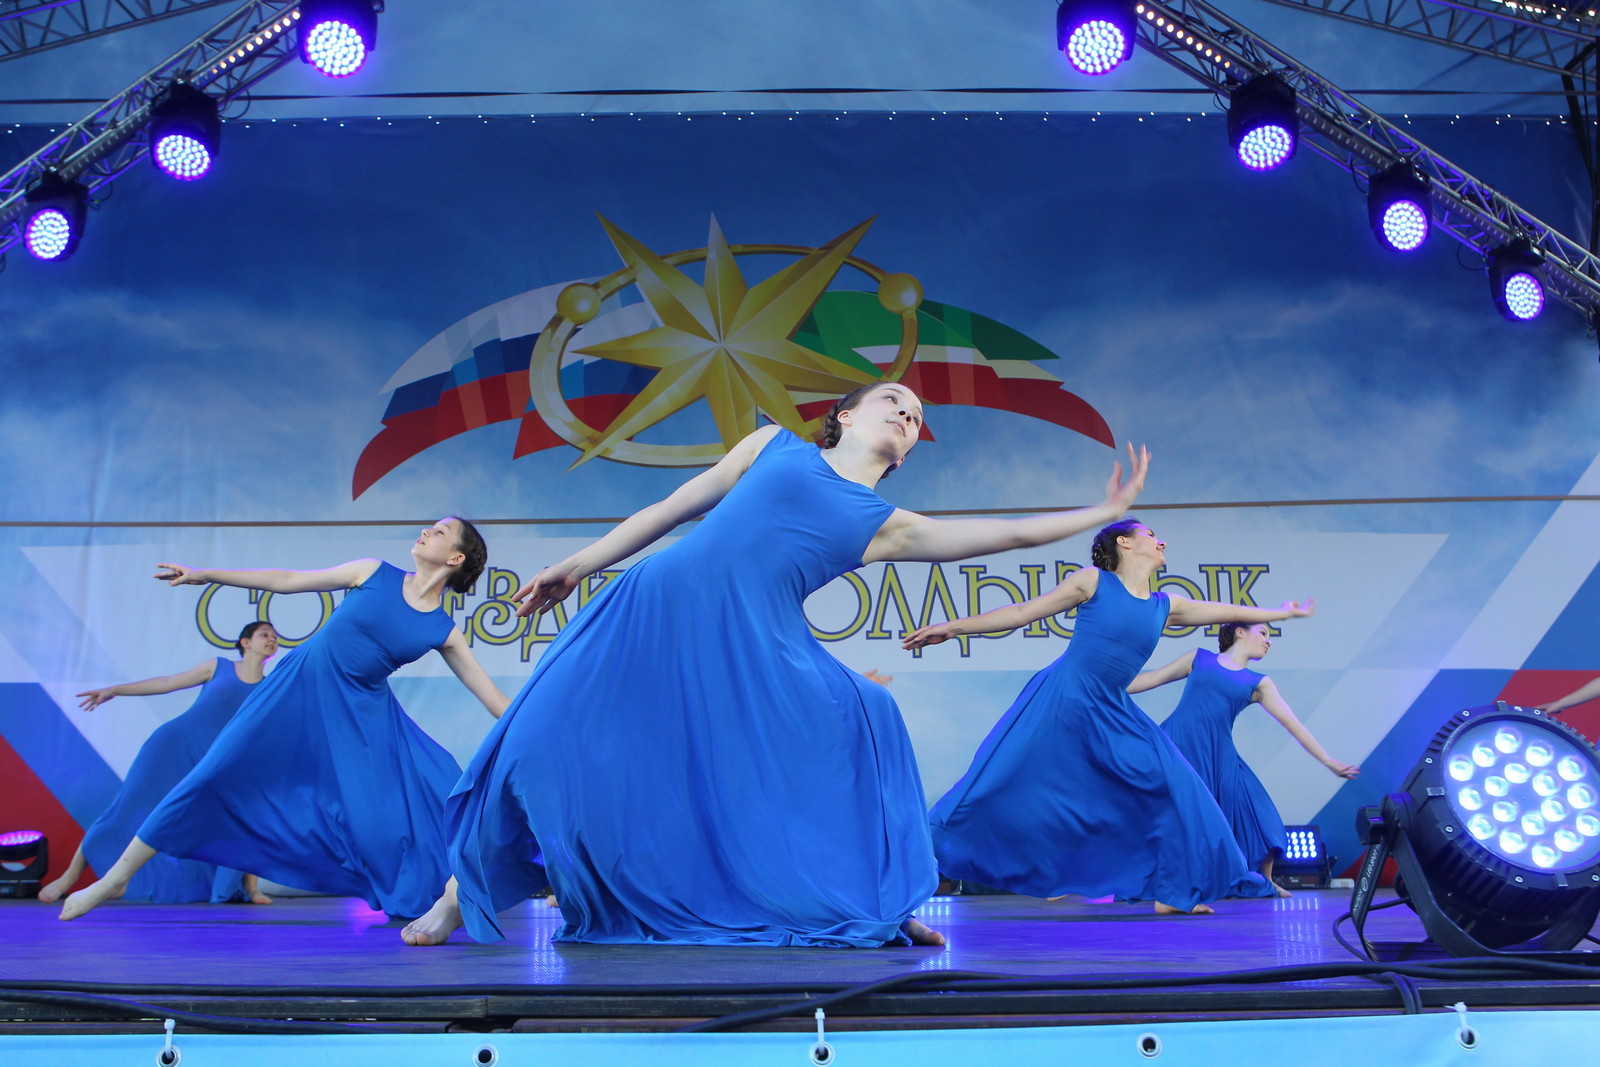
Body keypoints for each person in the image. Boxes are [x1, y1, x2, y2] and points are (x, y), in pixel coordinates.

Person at [401, 382, 1149, 946]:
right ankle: (461, 893)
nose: (907, 413)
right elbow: (671, 507)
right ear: (844, 416)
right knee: (535, 739)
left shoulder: (886, 525)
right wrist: (580, 563)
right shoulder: (772, 446)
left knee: (868, 716)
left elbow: (1012, 535)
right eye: (892, 400)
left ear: (909, 451)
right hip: (654, 607)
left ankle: (880, 902)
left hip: (751, 641)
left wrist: (1101, 513)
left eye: (917, 416)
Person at [59, 519, 511, 922]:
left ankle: (443, 894)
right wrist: (207, 574)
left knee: (423, 793)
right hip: (293, 693)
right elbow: (288, 580)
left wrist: (535, 727)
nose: (426, 531)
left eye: (440, 531)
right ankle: (116, 878)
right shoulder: (374, 572)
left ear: (455, 558)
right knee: (209, 776)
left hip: (360, 718)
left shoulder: (442, 630)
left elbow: (492, 698)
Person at [907, 518, 1315, 915]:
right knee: (1001, 782)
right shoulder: (1093, 582)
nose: (1162, 542)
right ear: (1124, 543)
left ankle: (1172, 890)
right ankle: (923, 851)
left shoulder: (1164, 605)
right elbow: (1022, 612)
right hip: (1066, 698)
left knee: (1176, 784)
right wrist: (955, 628)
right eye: (1151, 535)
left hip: (1112, 706)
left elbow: (1224, 610)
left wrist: (1282, 613)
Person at [38, 622, 281, 906]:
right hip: (171, 747)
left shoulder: (270, 686)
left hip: (213, 762)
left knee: (236, 821)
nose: (272, 639)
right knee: (125, 810)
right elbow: (167, 683)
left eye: (275, 637)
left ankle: (250, 888)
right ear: (245, 642)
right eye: (264, 634)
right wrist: (116, 690)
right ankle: (69, 877)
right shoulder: (219, 667)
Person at [1128, 622, 1358, 896]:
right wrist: (1103, 688)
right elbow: (1153, 678)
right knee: (1171, 815)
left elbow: (1292, 724)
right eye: (1263, 633)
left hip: (1219, 753)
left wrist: (1327, 760)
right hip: (1178, 744)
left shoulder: (1259, 682)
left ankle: (1264, 879)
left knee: (1258, 808)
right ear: (1240, 632)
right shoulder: (1199, 658)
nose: (1269, 641)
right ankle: (1164, 881)